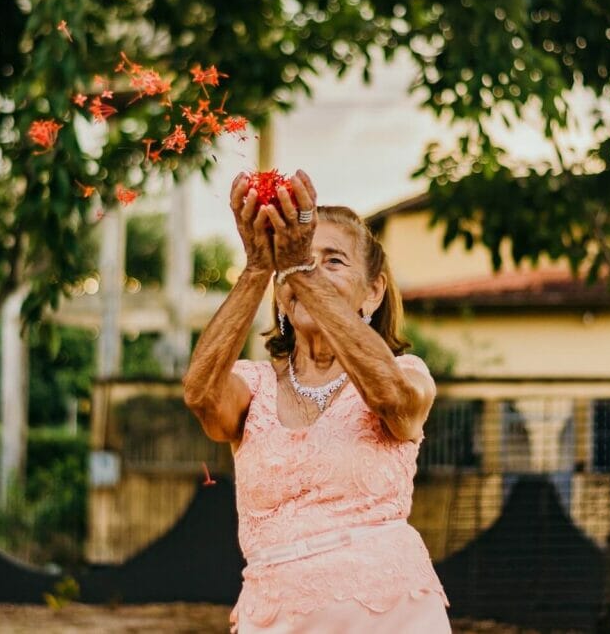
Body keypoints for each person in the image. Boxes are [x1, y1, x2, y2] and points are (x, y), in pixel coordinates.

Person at [182, 170, 450, 633]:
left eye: (334, 261)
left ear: (374, 292)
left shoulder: (407, 374)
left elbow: (390, 396)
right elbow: (201, 396)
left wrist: (300, 271)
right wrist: (258, 268)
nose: (310, 272)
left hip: (391, 617)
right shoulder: (256, 384)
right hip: (276, 618)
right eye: (303, 261)